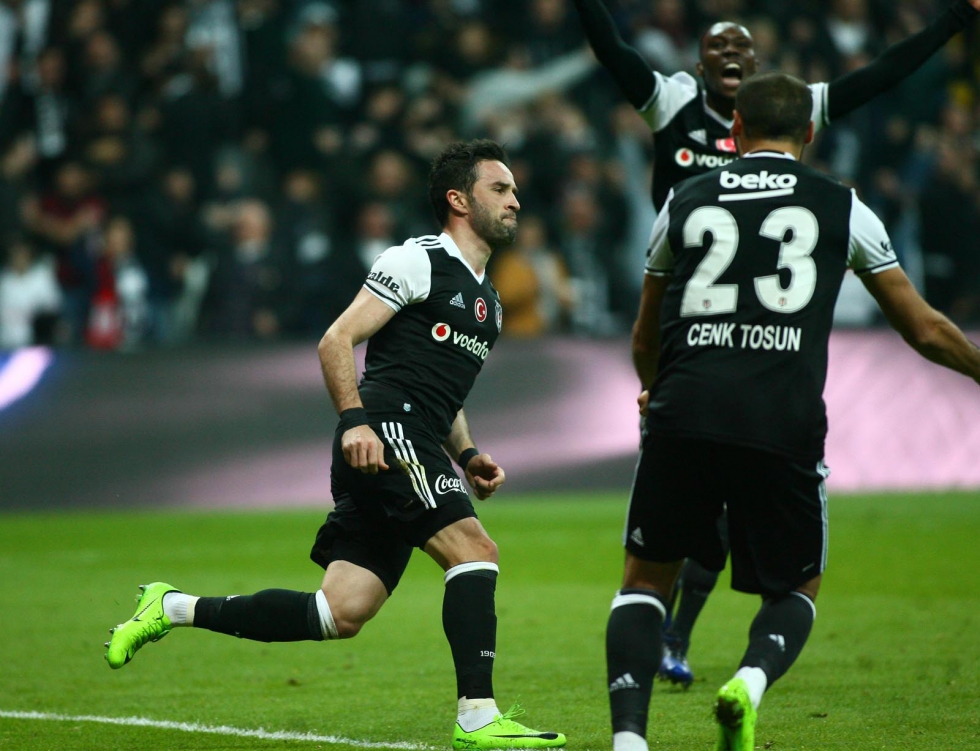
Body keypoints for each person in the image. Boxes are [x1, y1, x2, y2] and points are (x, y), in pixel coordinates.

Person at [103, 139, 567, 751]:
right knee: (475, 550)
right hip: (386, 430)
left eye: (514, 190)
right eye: (500, 189)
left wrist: (468, 454)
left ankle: (171, 607)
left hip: (413, 437)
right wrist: (355, 422)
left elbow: (444, 392)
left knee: (339, 613)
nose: (514, 201)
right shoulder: (418, 260)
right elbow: (336, 340)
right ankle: (478, 716)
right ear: (459, 200)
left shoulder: (491, 302)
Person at [574, 0, 980, 686]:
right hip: (694, 307)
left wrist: (950, 23)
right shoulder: (676, 100)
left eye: (742, 44)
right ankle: (696, 642)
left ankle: (668, 639)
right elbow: (611, 48)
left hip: (728, 329)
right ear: (698, 64)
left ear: (754, 80)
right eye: (717, 44)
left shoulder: (781, 106)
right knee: (726, 499)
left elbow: (881, 73)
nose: (731, 51)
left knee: (704, 491)